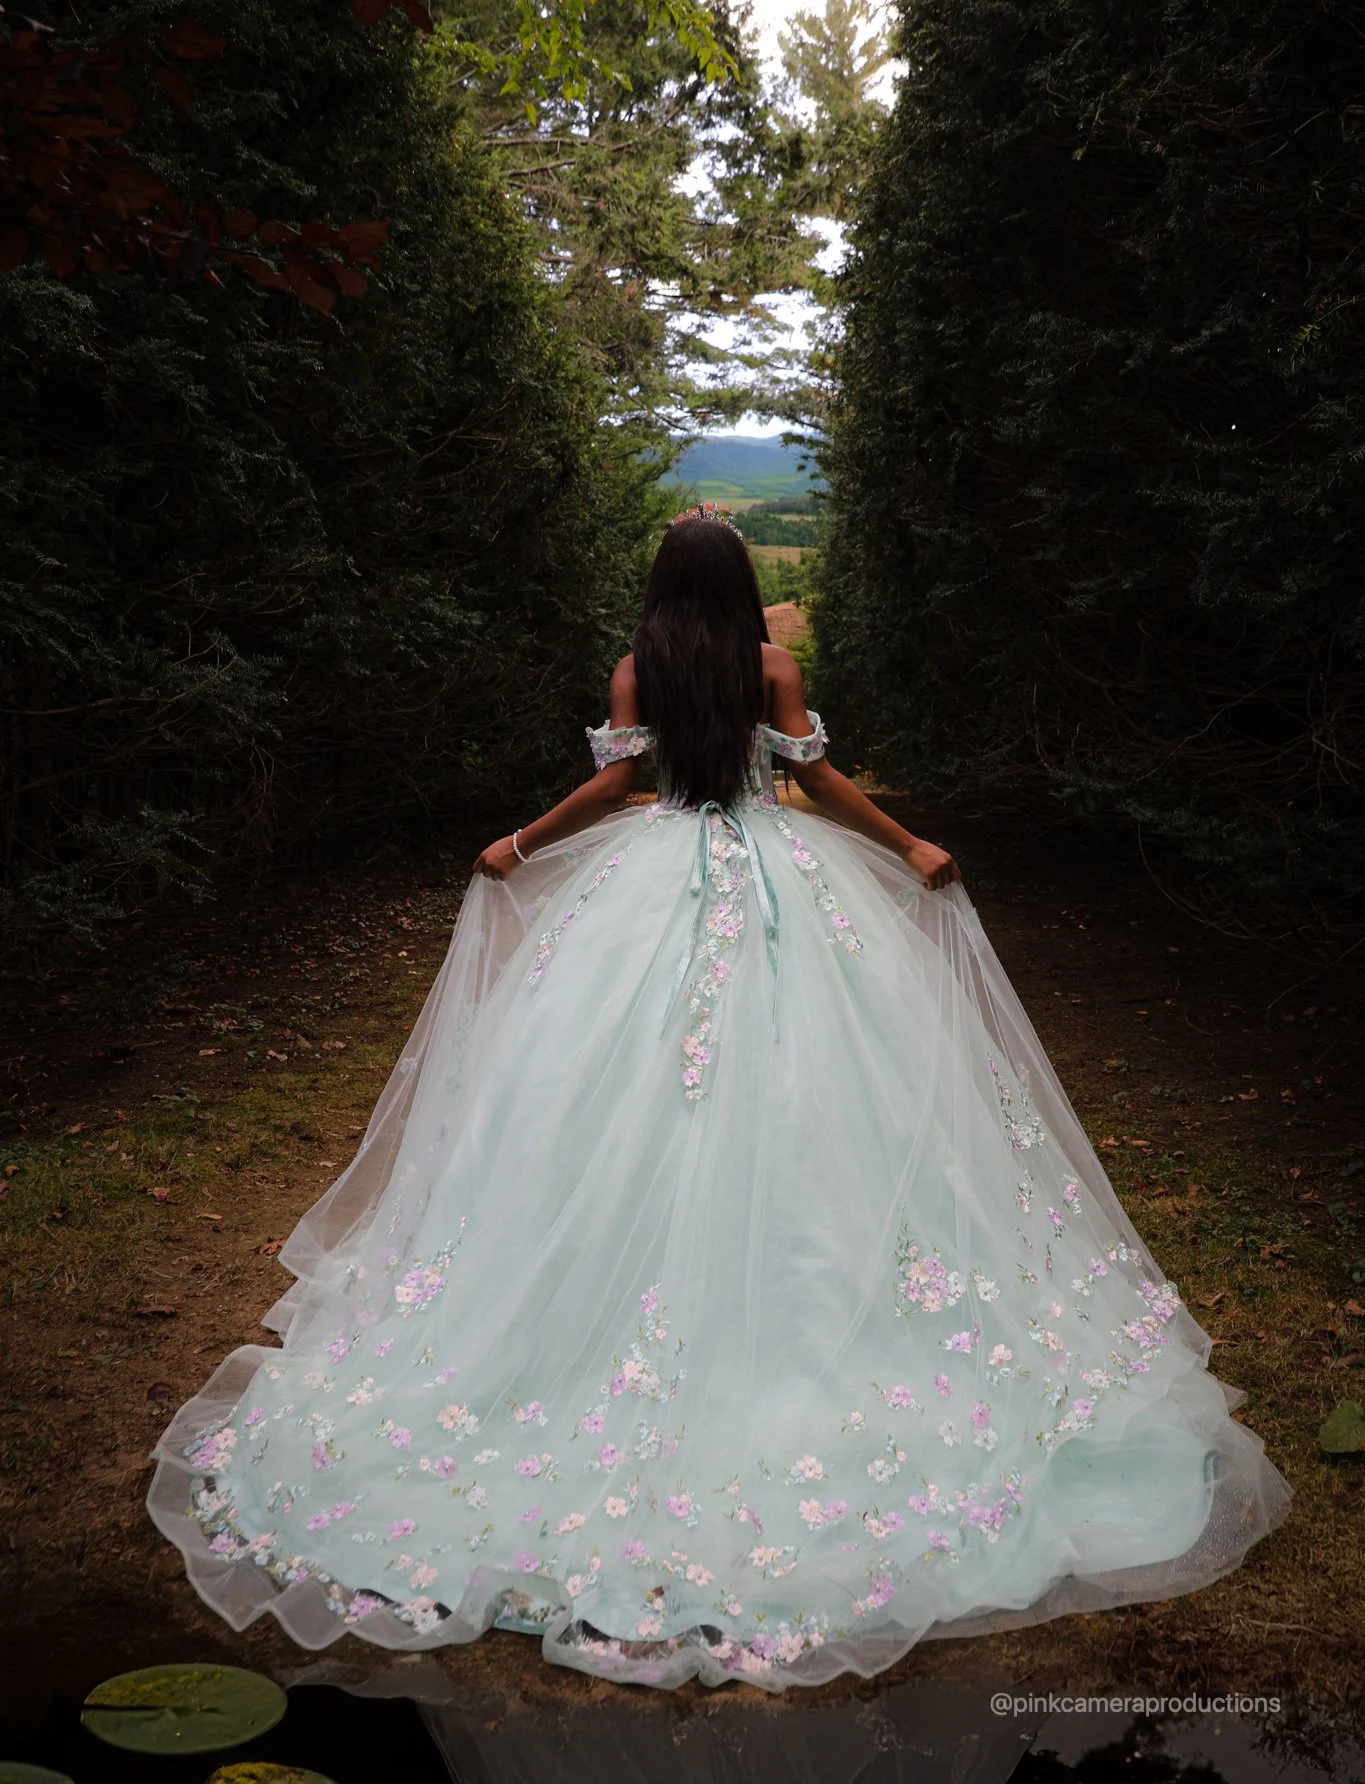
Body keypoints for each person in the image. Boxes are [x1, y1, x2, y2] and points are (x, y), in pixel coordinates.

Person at [148, 507, 1289, 1691]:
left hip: (646, 891)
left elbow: (616, 788)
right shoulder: (774, 667)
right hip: (777, 878)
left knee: (596, 1094)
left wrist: (521, 841)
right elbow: (819, 784)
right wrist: (908, 848)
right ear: (743, 587)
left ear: (660, 588)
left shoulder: (639, 670)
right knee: (829, 1098)